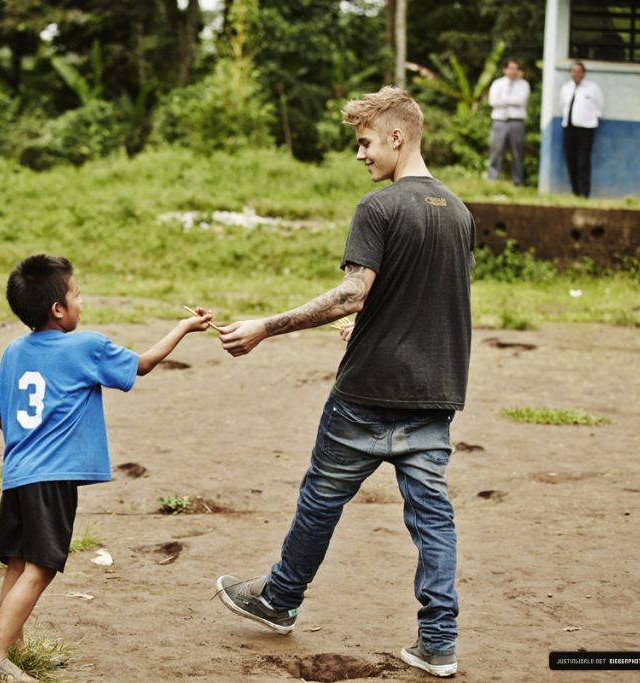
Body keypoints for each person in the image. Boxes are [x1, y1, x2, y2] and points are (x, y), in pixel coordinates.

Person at [212, 86, 474, 679]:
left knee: (318, 505)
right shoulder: (460, 213)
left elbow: (354, 291)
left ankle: (279, 600)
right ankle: (439, 643)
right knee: (433, 520)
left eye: (364, 142)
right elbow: (429, 297)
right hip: (434, 397)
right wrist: (368, 323)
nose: (360, 155)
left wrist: (266, 327)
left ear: (397, 136)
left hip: (364, 397)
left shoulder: (378, 208)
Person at [0, 254, 211, 680]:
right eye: (76, 294)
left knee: (18, 562)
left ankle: (13, 646)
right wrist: (184, 328)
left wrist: (27, 437)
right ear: (57, 309)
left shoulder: (14, 350)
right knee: (41, 568)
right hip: (52, 477)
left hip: (19, 473)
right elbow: (143, 364)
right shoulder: (86, 345)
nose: (82, 301)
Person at [559, 61, 604, 198]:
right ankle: (575, 191)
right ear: (570, 73)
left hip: (586, 128)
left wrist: (590, 118)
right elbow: (562, 105)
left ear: (583, 73)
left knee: (583, 161)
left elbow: (600, 106)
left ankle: (584, 192)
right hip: (569, 127)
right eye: (574, 71)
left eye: (579, 71)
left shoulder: (592, 88)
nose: (576, 74)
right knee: (570, 159)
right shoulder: (566, 88)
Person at [487, 58, 530, 186]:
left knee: (517, 153)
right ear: (505, 70)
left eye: (515, 69)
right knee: (496, 150)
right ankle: (492, 180)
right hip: (499, 121)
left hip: (516, 122)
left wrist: (503, 99)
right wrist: (510, 101)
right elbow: (493, 101)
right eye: (510, 68)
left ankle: (517, 181)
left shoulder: (524, 85)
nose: (513, 71)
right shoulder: (497, 83)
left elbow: (520, 101)